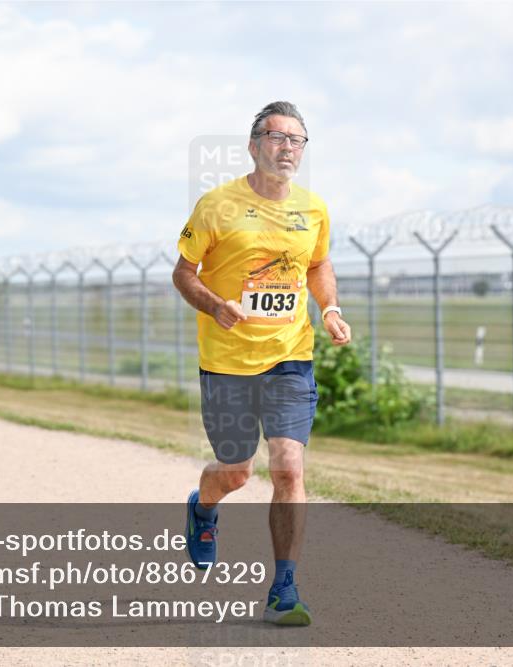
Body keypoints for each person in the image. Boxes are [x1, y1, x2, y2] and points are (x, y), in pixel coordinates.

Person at [172, 101, 351, 626]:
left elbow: (318, 263)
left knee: (289, 467)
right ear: (253, 146)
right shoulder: (217, 205)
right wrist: (214, 304)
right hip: (227, 361)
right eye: (277, 137)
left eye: (298, 140)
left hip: (289, 358)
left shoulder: (313, 209)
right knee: (234, 472)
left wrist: (331, 308)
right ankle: (203, 509)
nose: (288, 147)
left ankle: (285, 588)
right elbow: (184, 273)